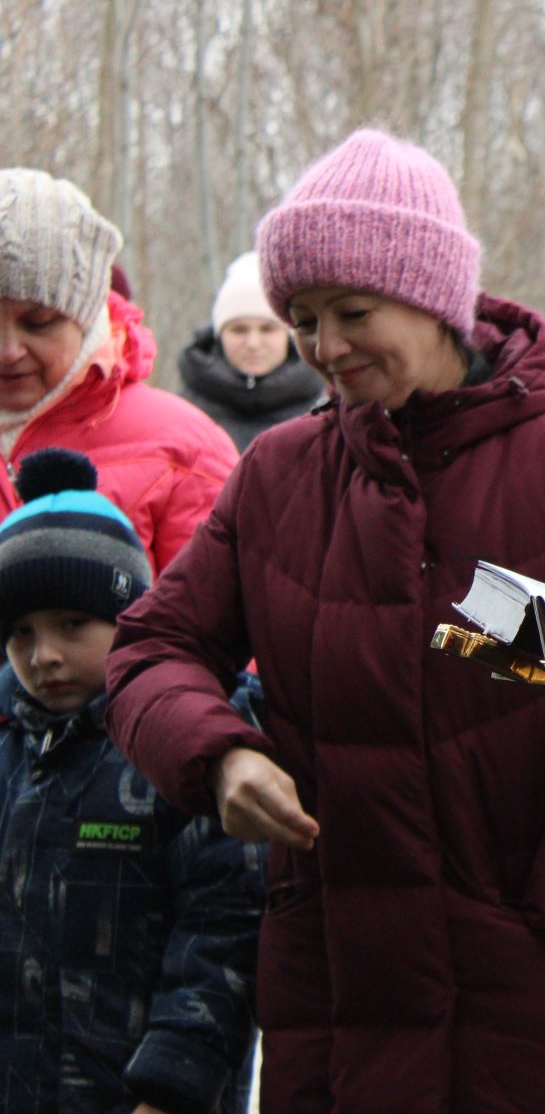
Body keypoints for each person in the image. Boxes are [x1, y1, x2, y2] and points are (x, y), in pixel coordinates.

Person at [104, 130, 545, 1113]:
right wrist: (222, 755)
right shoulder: (278, 476)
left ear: (434, 297)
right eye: (304, 318)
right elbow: (152, 649)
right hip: (338, 998)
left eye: (351, 311)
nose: (323, 347)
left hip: (541, 1006)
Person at [0, 447, 265, 1114]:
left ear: (131, 618)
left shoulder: (186, 744)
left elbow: (226, 929)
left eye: (72, 625)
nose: (45, 656)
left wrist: (176, 1083)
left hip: (143, 1094)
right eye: (19, 634)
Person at [0, 169, 238, 572]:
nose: (8, 351)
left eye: (38, 322)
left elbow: (215, 627)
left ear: (86, 316)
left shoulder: (185, 451)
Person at [178, 252, 327, 451]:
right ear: (219, 336)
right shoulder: (184, 413)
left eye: (267, 329)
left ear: (289, 335)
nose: (253, 343)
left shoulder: (326, 409)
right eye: (239, 330)